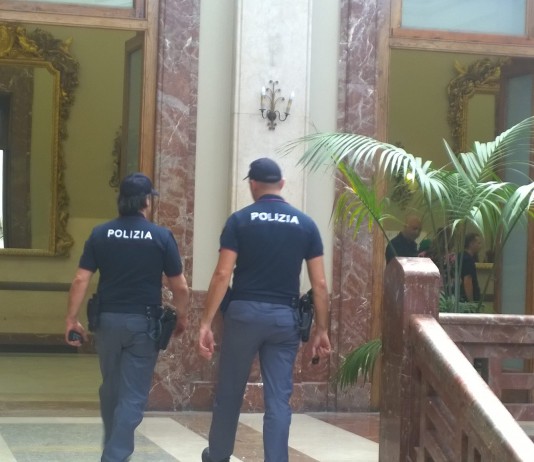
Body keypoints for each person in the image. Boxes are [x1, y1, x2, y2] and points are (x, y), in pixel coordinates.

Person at [198, 157, 331, 462]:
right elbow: (320, 284)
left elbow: (222, 274)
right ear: (281, 184)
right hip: (285, 320)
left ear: (253, 184)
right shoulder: (306, 225)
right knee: (278, 399)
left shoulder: (239, 221)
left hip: (243, 315)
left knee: (230, 391)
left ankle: (218, 455)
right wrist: (322, 329)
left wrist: (205, 322)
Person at [65, 172, 189, 462]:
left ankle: (113, 448)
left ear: (121, 200)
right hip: (143, 326)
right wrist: (182, 317)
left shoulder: (101, 233)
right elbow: (180, 287)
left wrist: (71, 318)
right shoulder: (160, 236)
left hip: (107, 322)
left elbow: (80, 279)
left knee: (111, 388)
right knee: (133, 395)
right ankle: (115, 455)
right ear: (147, 201)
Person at [460, 232, 482, 302]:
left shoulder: (461, 256)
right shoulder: (468, 260)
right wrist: (471, 302)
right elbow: (467, 280)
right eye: (478, 243)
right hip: (466, 300)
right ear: (471, 244)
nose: (480, 246)